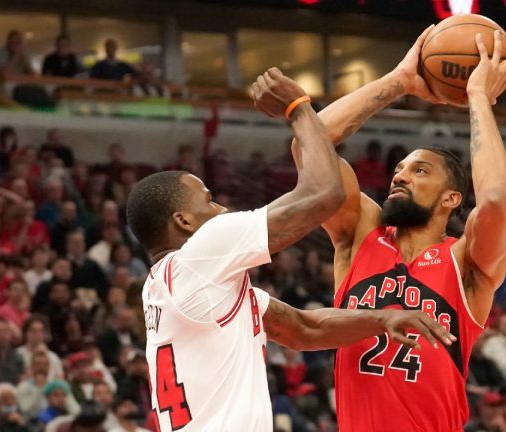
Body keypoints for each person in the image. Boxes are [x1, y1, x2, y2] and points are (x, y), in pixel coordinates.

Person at [129, 68, 453, 431]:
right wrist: (298, 108)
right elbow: (323, 194)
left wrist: (384, 318)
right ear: (184, 222)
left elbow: (303, 329)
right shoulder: (203, 251)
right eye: (208, 201)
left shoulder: (179, 286)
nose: (221, 209)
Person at [301, 25, 506, 431]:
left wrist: (478, 98)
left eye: (419, 171)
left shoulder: (465, 260)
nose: (400, 177)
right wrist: (398, 82)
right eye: (399, 169)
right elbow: (309, 142)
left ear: (451, 198)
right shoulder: (360, 234)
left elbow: (493, 199)